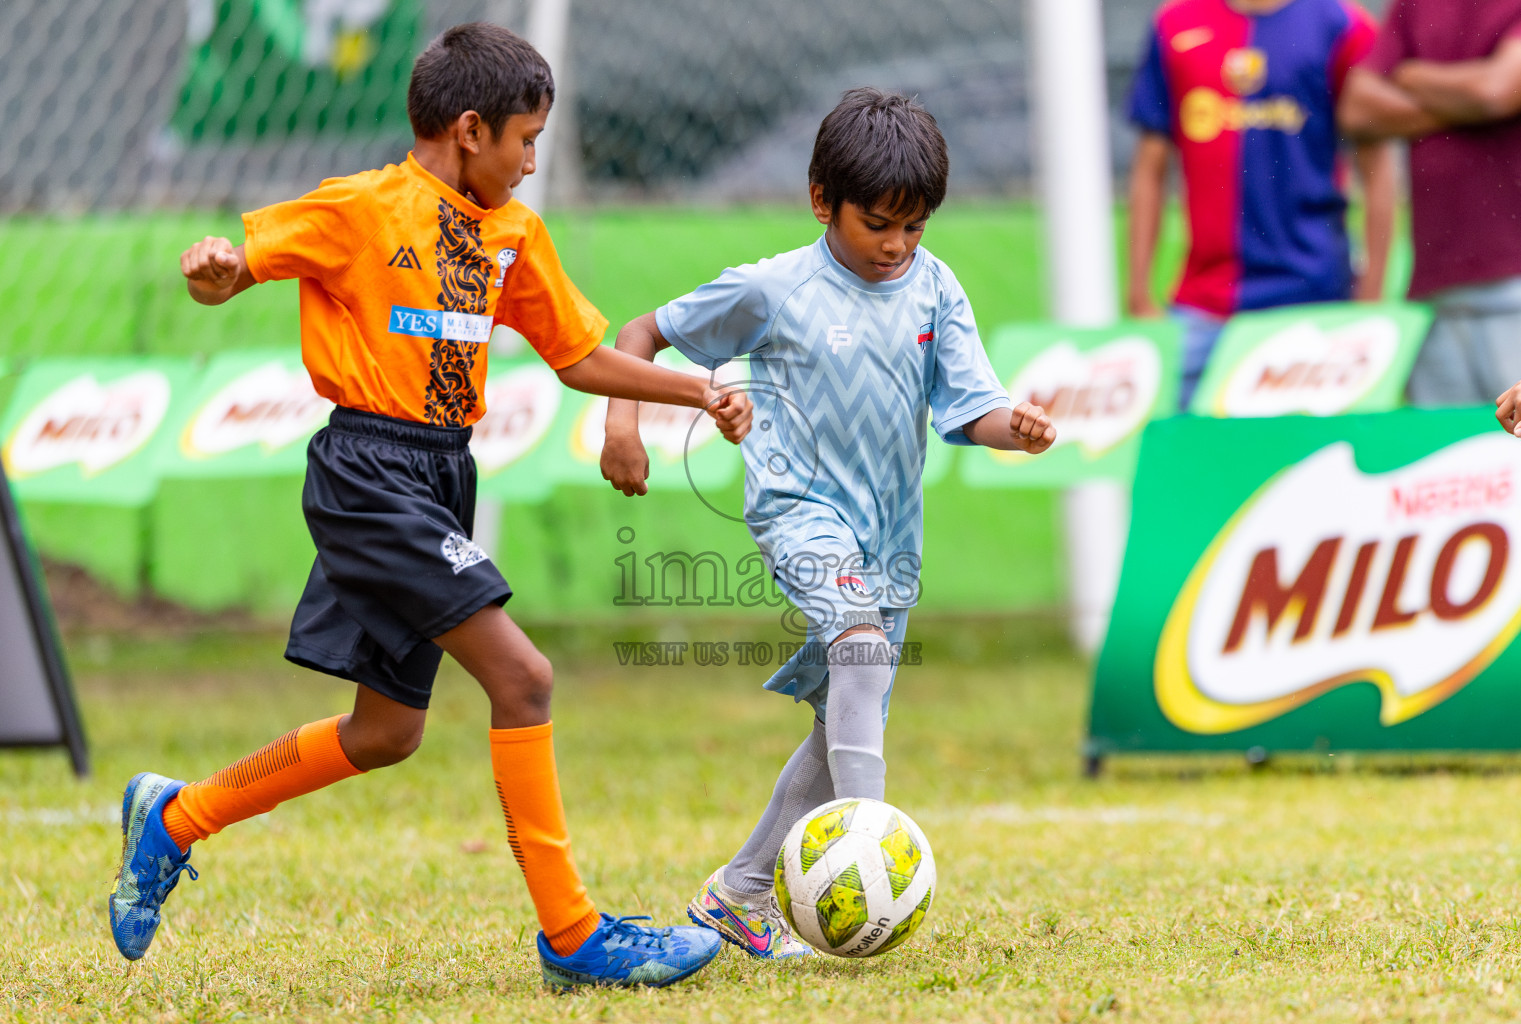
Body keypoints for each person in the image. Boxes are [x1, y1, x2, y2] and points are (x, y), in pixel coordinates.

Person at [109, 23, 750, 990]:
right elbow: (238, 267)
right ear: (468, 130)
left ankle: (175, 818)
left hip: (442, 471)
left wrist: (695, 390)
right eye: (524, 141)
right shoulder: (362, 208)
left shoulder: (513, 234)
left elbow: (577, 358)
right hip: (368, 472)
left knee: (385, 734)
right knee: (524, 678)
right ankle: (574, 936)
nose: (533, 163)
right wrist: (215, 272)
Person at [599, 88, 1056, 958]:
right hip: (799, 511)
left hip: (891, 540)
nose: (896, 246)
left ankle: (736, 892)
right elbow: (641, 332)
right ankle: (872, 846)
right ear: (822, 201)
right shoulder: (775, 288)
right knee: (859, 646)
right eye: (879, 224)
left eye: (914, 228)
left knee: (843, 710)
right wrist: (623, 426)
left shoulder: (935, 288)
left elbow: (974, 407)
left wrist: (1017, 432)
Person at [1126, 0, 1395, 408]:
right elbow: (1150, 166)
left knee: (1311, 465)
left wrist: (1371, 292)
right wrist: (1139, 294)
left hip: (1317, 299)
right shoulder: (1175, 23)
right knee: (1191, 464)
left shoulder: (1343, 24)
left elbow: (1376, 166)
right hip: (1204, 307)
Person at [1339, 0, 1521, 404]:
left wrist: (1412, 75)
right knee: (1446, 456)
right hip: (1434, 290)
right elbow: (1358, 110)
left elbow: (1495, 92)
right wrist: (1467, 100)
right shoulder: (1414, 4)